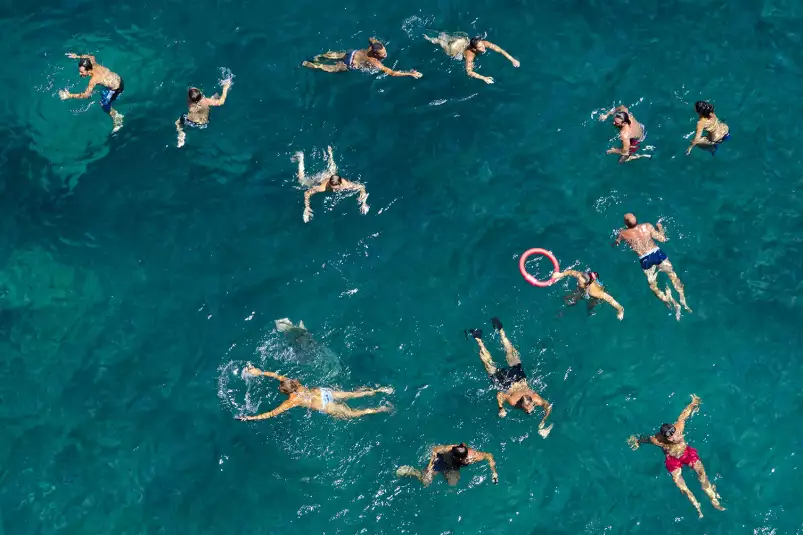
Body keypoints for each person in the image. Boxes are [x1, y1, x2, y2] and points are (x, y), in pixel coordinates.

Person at [628, 395, 725, 518]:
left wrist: (693, 403)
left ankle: (712, 498)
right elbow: (646, 439)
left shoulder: (679, 426)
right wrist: (637, 441)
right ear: (665, 438)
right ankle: (697, 505)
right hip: (672, 459)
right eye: (670, 437)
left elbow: (683, 415)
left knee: (701, 473)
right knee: (680, 484)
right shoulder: (658, 440)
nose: (674, 437)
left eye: (674, 433)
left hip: (686, 454)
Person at [466, 317, 553, 437]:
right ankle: (479, 338)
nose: (528, 411)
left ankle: (498, 331)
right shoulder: (514, 402)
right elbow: (500, 395)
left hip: (519, 378)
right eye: (526, 409)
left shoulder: (536, 399)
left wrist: (542, 422)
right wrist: (501, 408)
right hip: (508, 382)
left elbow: (548, 406)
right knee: (490, 365)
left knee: (510, 353)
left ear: (532, 403)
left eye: (528, 408)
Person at [235, 365, 392, 420]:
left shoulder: (292, 401)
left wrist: (250, 417)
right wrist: (259, 372)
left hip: (323, 404)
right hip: (324, 392)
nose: (279, 387)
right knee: (352, 394)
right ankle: (380, 390)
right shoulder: (295, 383)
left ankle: (379, 409)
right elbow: (277, 376)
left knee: (353, 414)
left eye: (280, 389)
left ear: (287, 392)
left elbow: (271, 413)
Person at [614, 213, 691, 319]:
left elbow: (616, 243)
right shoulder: (647, 226)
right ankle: (683, 300)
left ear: (626, 223)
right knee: (672, 275)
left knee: (653, 285)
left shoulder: (623, 233)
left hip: (644, 259)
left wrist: (617, 240)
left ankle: (668, 301)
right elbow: (663, 239)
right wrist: (660, 227)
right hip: (656, 253)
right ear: (637, 219)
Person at [294, 146, 369, 223]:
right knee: (301, 181)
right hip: (320, 179)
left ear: (340, 184)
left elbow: (362, 186)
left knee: (333, 170)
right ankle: (301, 159)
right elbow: (306, 193)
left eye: (336, 188)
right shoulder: (322, 188)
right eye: (332, 187)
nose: (334, 190)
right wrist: (307, 207)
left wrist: (364, 203)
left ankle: (330, 153)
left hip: (331, 175)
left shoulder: (346, 184)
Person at [59, 53, 124, 132]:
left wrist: (70, 95)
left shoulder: (93, 80)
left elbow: (86, 95)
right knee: (103, 92)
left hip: (116, 89)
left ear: (89, 71)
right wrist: (77, 56)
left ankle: (117, 116)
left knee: (103, 104)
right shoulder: (92, 62)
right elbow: (90, 56)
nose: (80, 73)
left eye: (82, 72)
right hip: (118, 78)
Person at [423, 32, 519, 84]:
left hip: (462, 41)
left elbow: (499, 49)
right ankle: (429, 38)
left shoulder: (483, 43)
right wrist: (483, 78)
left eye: (482, 45)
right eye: (480, 47)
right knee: (443, 44)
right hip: (455, 49)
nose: (483, 48)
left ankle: (442, 36)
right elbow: (469, 72)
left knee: (451, 38)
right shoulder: (470, 55)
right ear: (474, 48)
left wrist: (512, 59)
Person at [302, 38, 422, 79]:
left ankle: (318, 57)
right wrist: (410, 73)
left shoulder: (374, 44)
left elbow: (371, 38)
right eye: (382, 55)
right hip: (350, 63)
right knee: (330, 68)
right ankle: (308, 64)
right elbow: (392, 73)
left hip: (352, 53)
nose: (385, 54)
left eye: (384, 51)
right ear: (375, 55)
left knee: (334, 54)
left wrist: (372, 41)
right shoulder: (374, 62)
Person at [396, 443, 498, 487]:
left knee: (452, 484)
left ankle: (445, 475)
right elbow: (435, 449)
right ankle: (413, 471)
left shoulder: (473, 457)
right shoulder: (451, 448)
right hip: (441, 461)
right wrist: (430, 467)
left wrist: (494, 472)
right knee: (426, 481)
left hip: (453, 467)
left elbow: (489, 456)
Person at [175, 79, 232, 148]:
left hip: (190, 121)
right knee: (216, 96)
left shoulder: (189, 103)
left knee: (178, 122)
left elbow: (193, 97)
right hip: (203, 123)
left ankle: (181, 133)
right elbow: (221, 102)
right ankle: (214, 98)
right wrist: (225, 89)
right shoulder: (205, 101)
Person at [552, 269, 624, 320]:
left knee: (589, 306)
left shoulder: (595, 292)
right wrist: (560, 274)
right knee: (568, 299)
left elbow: (610, 299)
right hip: (583, 290)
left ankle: (590, 311)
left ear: (586, 285)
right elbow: (571, 272)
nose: (577, 282)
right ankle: (563, 310)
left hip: (593, 297)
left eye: (579, 282)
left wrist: (620, 310)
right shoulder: (580, 275)